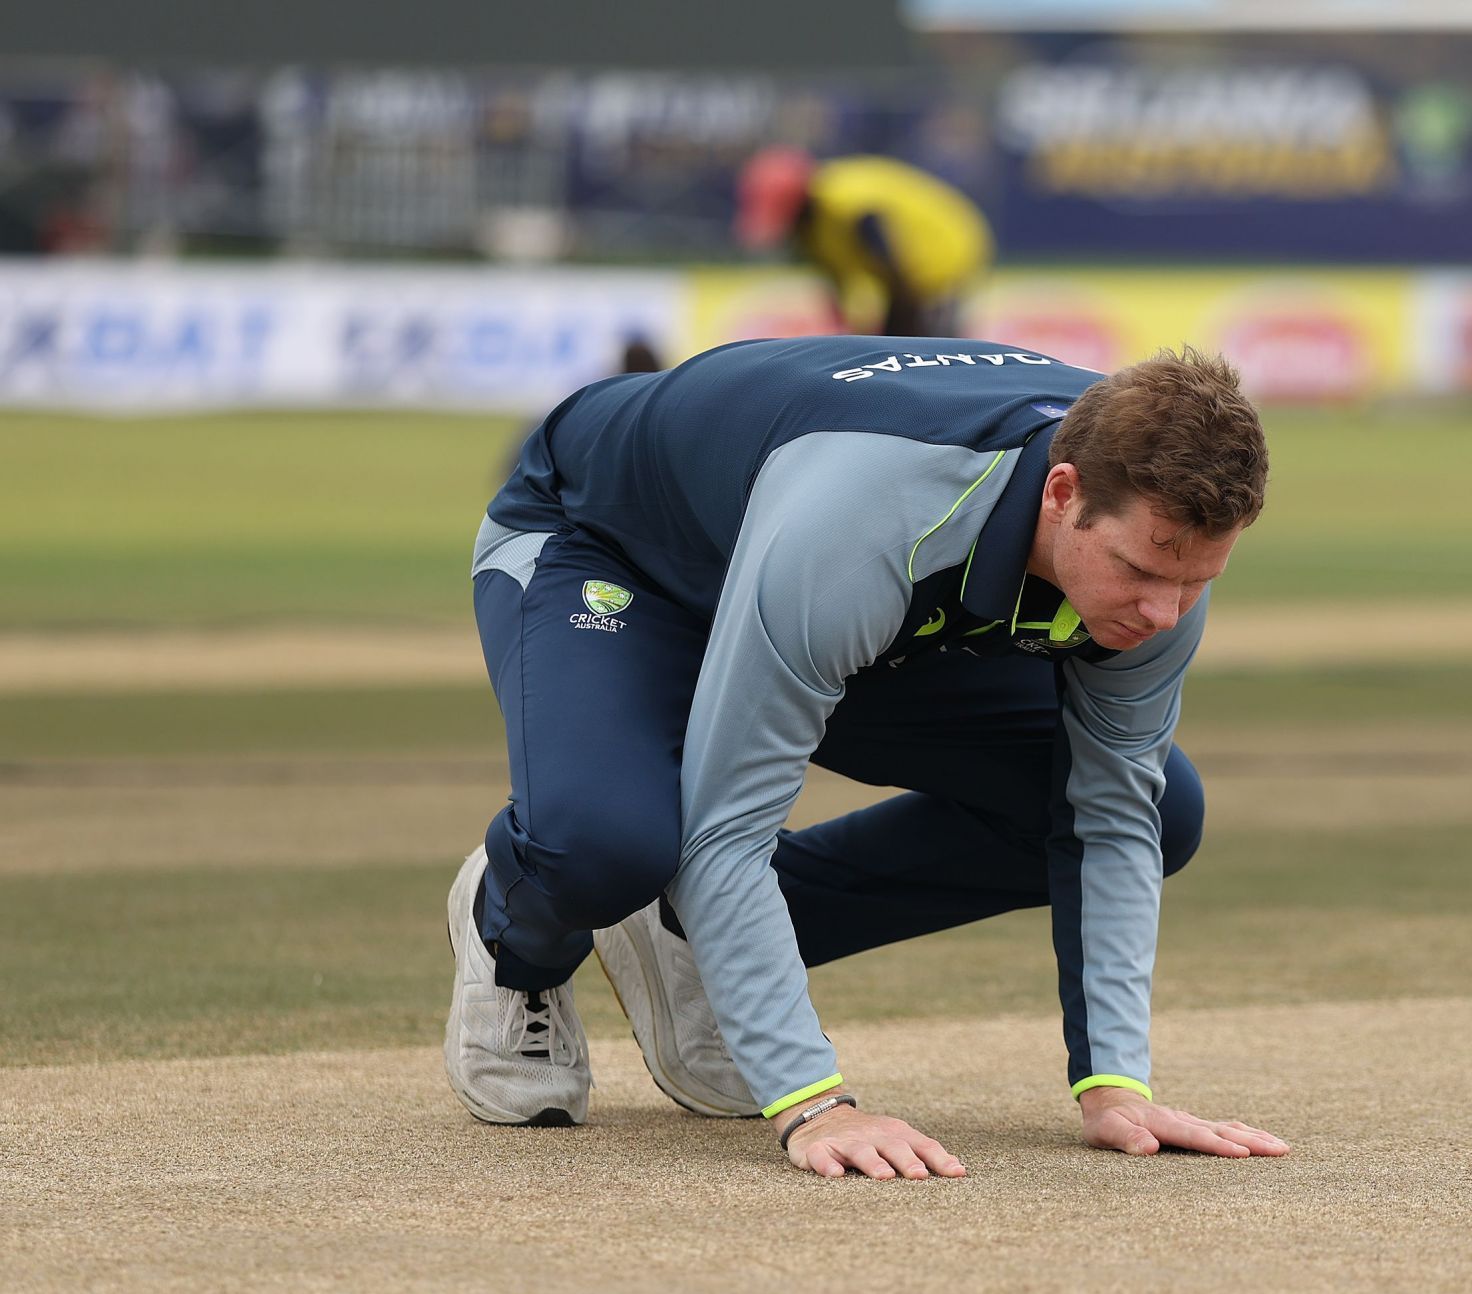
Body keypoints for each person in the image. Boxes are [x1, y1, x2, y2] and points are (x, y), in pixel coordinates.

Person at [445, 335, 1290, 1180]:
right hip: (614, 546)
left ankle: (683, 934)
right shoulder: (868, 524)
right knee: (607, 843)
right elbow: (729, 828)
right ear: (1062, 494)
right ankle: (515, 941)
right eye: (1140, 570)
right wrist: (813, 1103)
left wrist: (1117, 1089)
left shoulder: (1154, 564)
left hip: (835, 594)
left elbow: (1112, 815)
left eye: (1197, 582)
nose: (1166, 614)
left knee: (1160, 807)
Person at [734, 147, 992, 339]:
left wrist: (891, 333)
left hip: (943, 250)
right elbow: (835, 279)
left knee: (928, 345)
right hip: (901, 269)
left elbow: (894, 274)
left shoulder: (849, 204)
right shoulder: (815, 226)